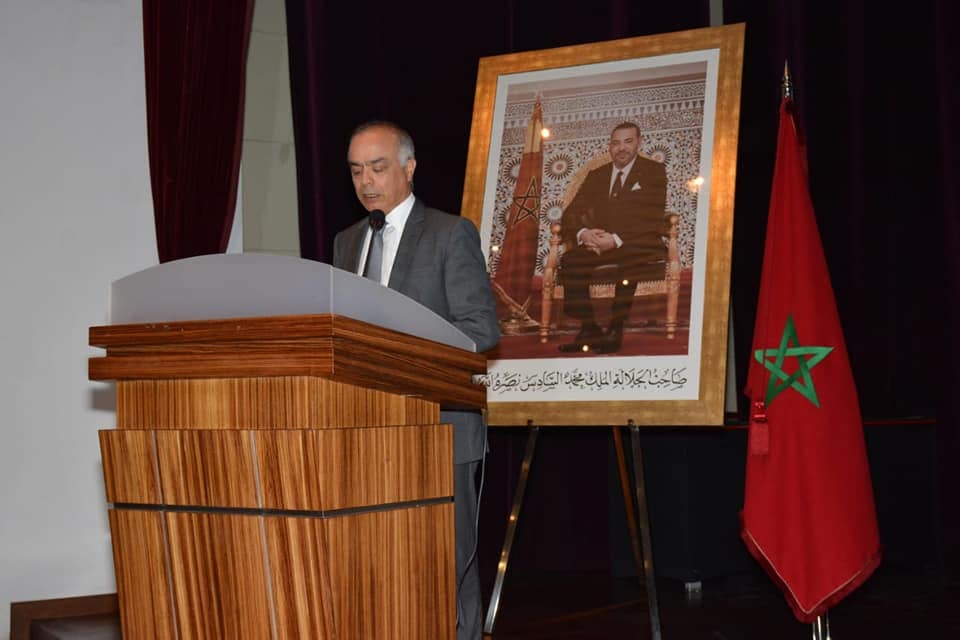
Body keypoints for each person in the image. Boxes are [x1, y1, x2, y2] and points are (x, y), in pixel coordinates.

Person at [332, 121, 499, 640]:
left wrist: (408, 352)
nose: (366, 182)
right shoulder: (347, 242)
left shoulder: (450, 234)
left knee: (448, 562)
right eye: (356, 171)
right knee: (384, 561)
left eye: (378, 168)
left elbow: (480, 329)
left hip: (441, 427)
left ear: (409, 168)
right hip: (369, 429)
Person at [558, 121, 669, 354]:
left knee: (631, 260)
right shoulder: (597, 175)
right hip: (600, 242)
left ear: (638, 143)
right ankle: (589, 327)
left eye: (628, 141)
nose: (621, 148)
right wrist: (584, 233)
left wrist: (616, 239)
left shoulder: (654, 171)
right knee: (571, 260)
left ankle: (615, 328)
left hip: (637, 242)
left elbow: (652, 216)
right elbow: (571, 213)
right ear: (610, 146)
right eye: (616, 143)